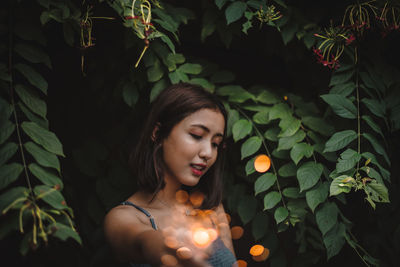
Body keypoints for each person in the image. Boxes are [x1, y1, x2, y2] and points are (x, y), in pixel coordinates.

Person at [104, 83, 237, 267]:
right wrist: (175, 251)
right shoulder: (123, 218)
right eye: (197, 135)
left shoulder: (212, 209)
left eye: (215, 143)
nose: (208, 152)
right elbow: (145, 242)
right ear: (157, 133)